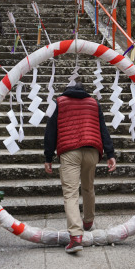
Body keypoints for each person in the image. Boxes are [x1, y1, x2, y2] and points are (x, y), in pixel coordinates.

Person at [44, 78, 116, 253]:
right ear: (84, 90)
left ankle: (76, 237)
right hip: (92, 150)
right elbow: (102, 129)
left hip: (69, 152)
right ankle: (88, 221)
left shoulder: (58, 103)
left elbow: (51, 130)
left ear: (65, 90)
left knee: (70, 193)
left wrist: (48, 156)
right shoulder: (93, 103)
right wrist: (110, 153)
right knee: (88, 187)